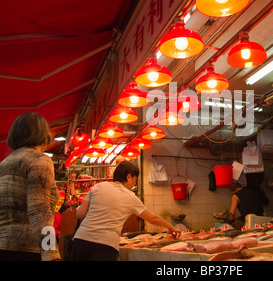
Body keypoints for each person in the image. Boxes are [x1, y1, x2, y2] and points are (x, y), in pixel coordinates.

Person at [70, 160, 181, 261]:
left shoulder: (97, 187)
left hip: (81, 241)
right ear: (129, 176)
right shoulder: (130, 196)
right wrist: (170, 227)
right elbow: (151, 218)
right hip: (105, 245)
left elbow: (80, 214)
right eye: (134, 180)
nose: (134, 184)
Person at [0, 112, 60, 261]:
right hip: (28, 249)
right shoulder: (39, 161)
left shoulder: (3, 164)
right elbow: (40, 210)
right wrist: (51, 252)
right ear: (42, 135)